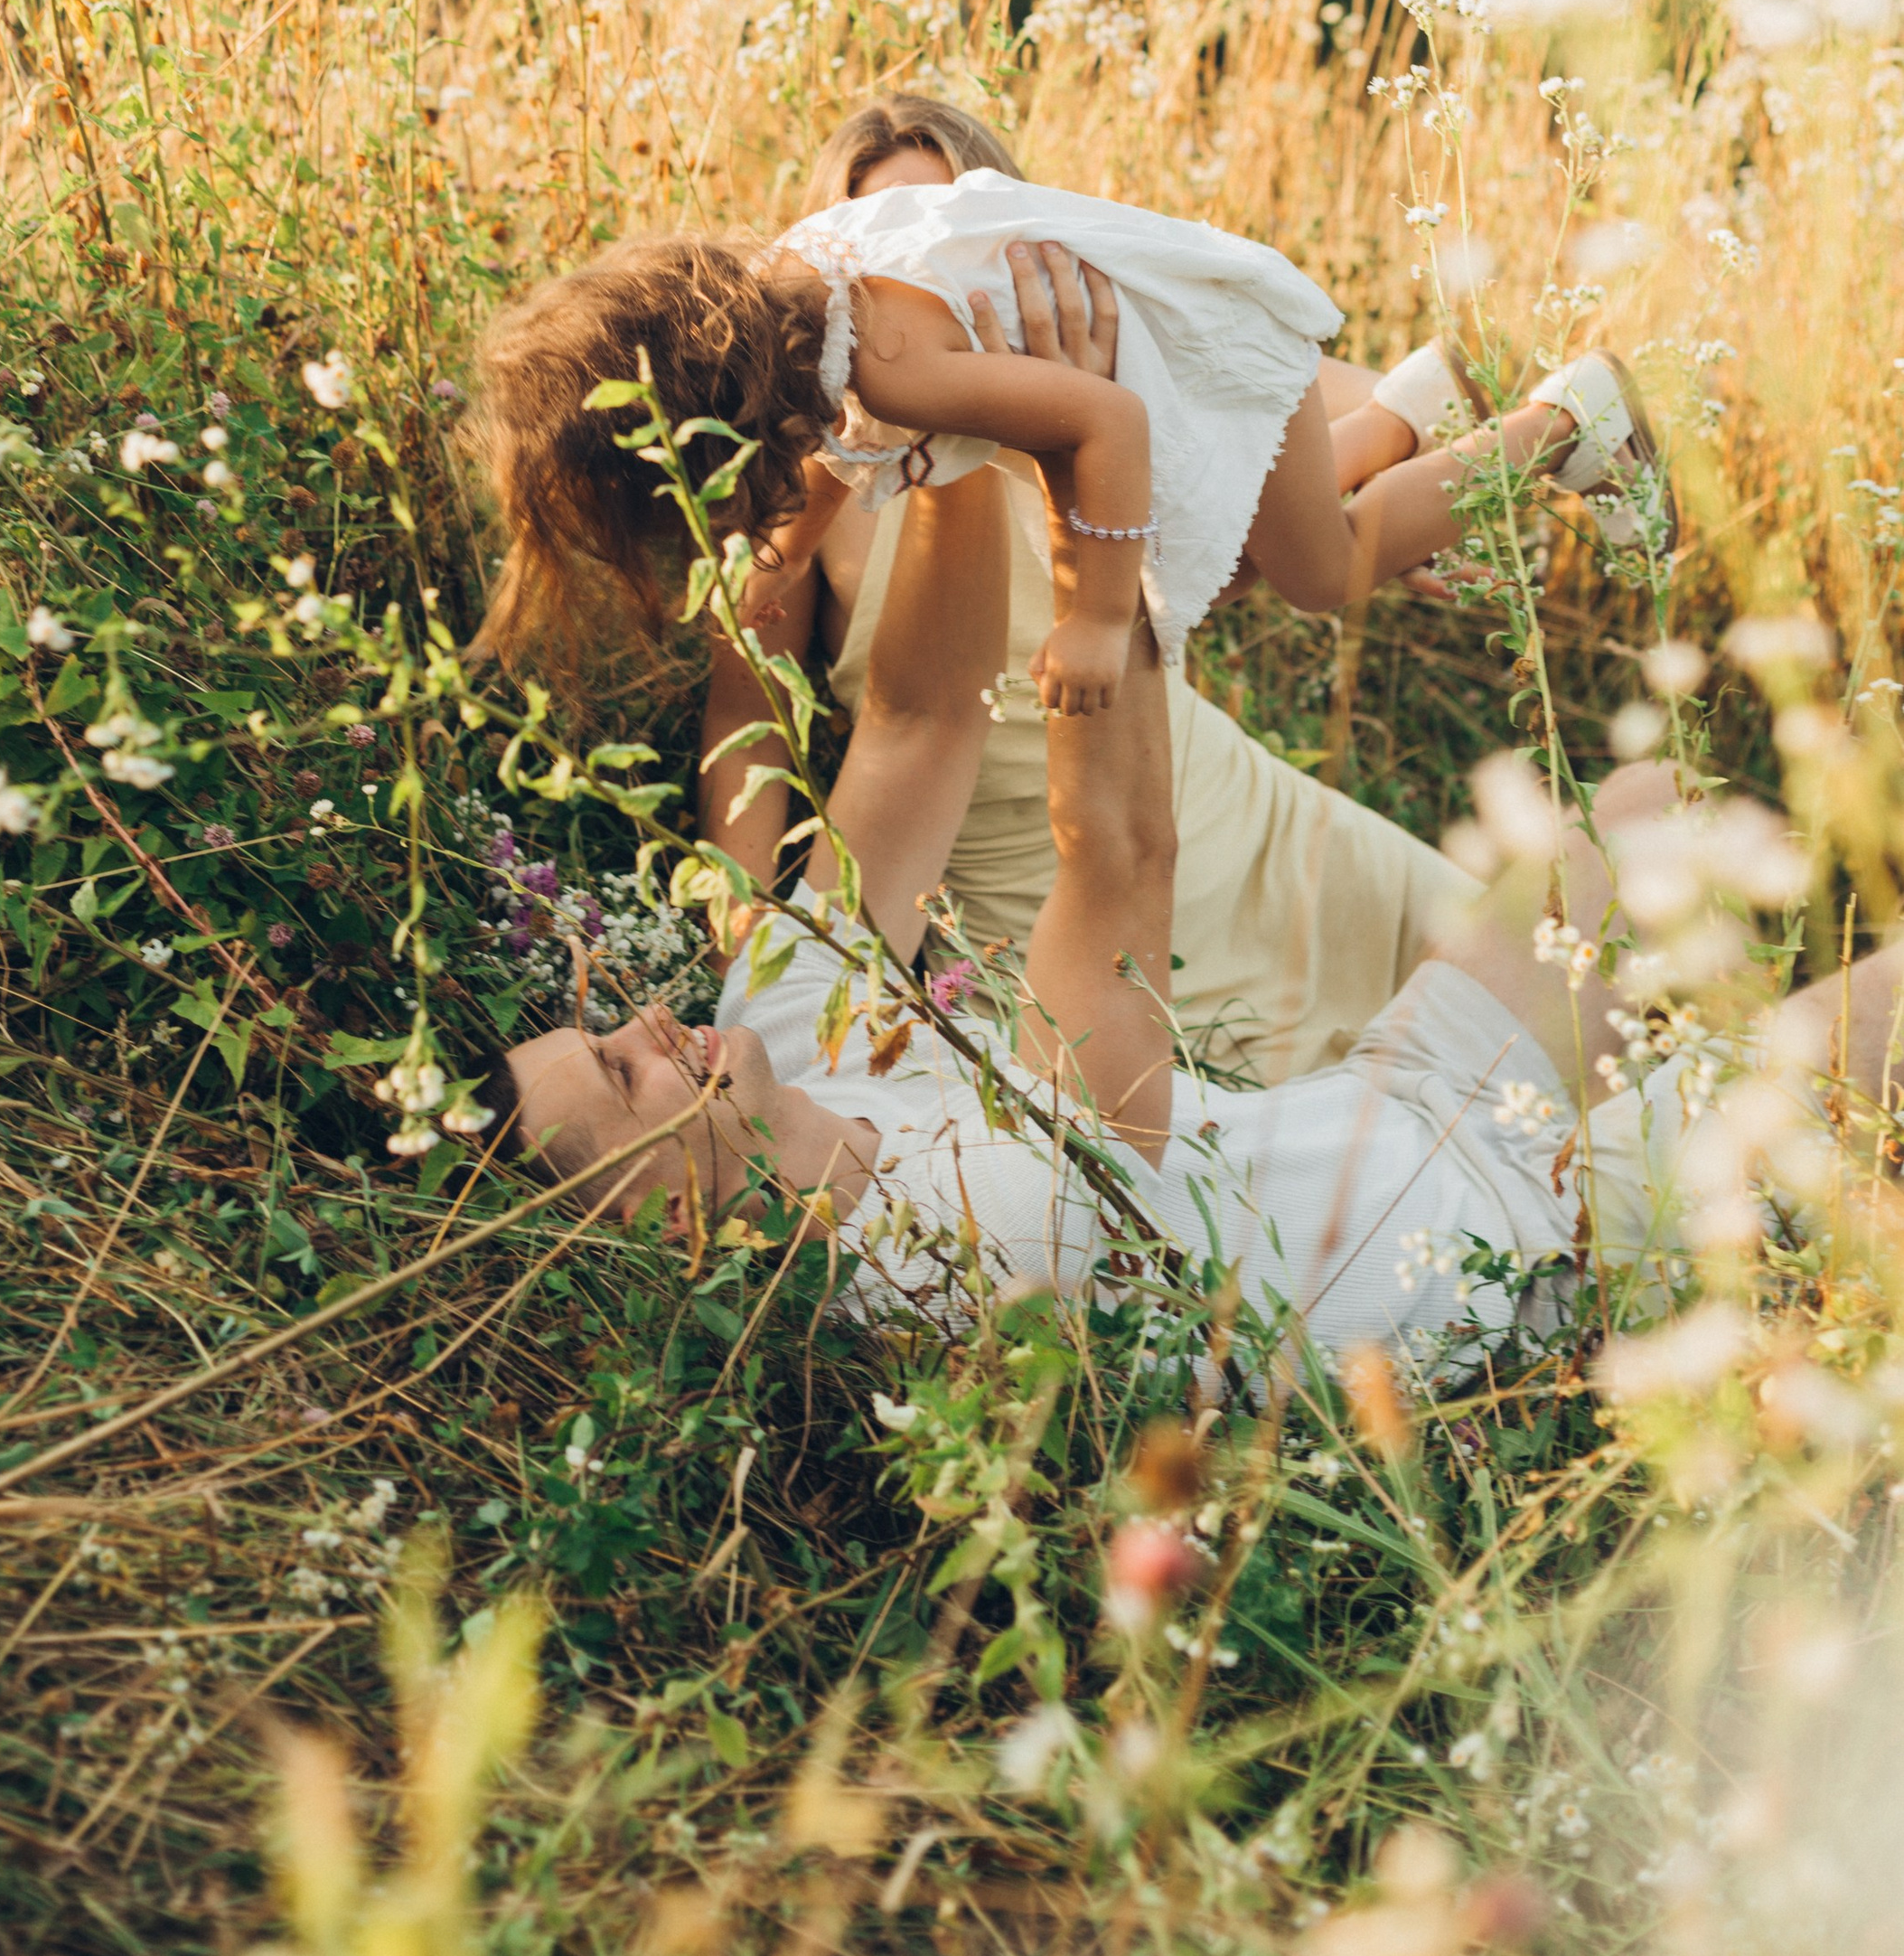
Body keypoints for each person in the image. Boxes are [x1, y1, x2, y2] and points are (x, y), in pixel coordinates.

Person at [490, 465, 1869, 1367]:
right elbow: (1122, 864)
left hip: (1392, 1096)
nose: (648, 1018)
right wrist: (1089, 464)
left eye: (607, 1027)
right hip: (1502, 1238)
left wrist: (948, 455)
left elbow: (915, 727)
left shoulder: (782, 1032)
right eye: (621, 1072)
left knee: (1636, 810)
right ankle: (1705, 1163)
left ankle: (1707, 1088)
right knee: (1846, 1043)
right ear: (662, 1226)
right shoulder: (948, 1268)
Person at [700, 93, 1477, 1081]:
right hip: (1030, 893)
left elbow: (1304, 415)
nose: (928, 279)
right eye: (889, 243)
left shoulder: (1102, 353)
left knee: (1540, 991)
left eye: (947, 238)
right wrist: (739, 938)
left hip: (1225, 808)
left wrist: (1381, 484)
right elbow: (748, 715)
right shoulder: (825, 460)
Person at [470, 111, 1655, 717]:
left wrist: (1090, 621)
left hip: (1189, 354)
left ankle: (1564, 420)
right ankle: (1423, 401)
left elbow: (1109, 427)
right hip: (1160, 341)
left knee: (1320, 569)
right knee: (1237, 548)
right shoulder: (808, 281)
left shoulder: (887, 366)